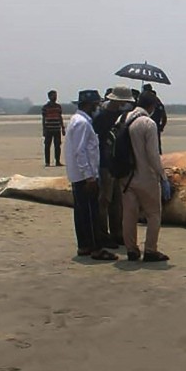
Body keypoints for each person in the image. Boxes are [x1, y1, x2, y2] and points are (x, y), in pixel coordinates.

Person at [63, 90, 117, 261]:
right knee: (90, 212)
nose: (98, 107)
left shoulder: (78, 120)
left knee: (81, 212)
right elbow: (80, 152)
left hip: (79, 175)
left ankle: (84, 245)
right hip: (84, 176)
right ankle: (95, 248)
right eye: (96, 104)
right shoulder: (82, 124)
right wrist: (90, 177)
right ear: (88, 105)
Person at [121, 93, 170, 262]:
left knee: (129, 214)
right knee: (154, 213)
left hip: (126, 177)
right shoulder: (148, 123)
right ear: (152, 106)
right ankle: (150, 250)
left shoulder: (123, 119)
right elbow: (152, 155)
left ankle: (131, 250)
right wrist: (163, 176)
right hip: (146, 177)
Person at [92, 86, 135, 247]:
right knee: (104, 200)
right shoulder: (101, 118)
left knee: (118, 200)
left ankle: (117, 233)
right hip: (104, 163)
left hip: (117, 164)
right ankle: (103, 235)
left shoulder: (120, 116)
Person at [41, 90, 65, 167]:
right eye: (53, 96)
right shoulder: (45, 107)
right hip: (48, 128)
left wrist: (63, 127)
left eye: (56, 95)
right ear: (49, 97)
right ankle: (47, 162)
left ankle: (57, 161)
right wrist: (44, 129)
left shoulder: (58, 106)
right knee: (47, 146)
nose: (55, 97)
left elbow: (60, 117)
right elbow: (43, 118)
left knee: (57, 145)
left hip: (57, 128)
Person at [143, 83, 167, 154]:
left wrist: (161, 126)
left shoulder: (145, 101)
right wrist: (161, 126)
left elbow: (164, 116)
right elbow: (164, 117)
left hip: (147, 125)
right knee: (156, 146)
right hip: (155, 126)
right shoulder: (158, 102)